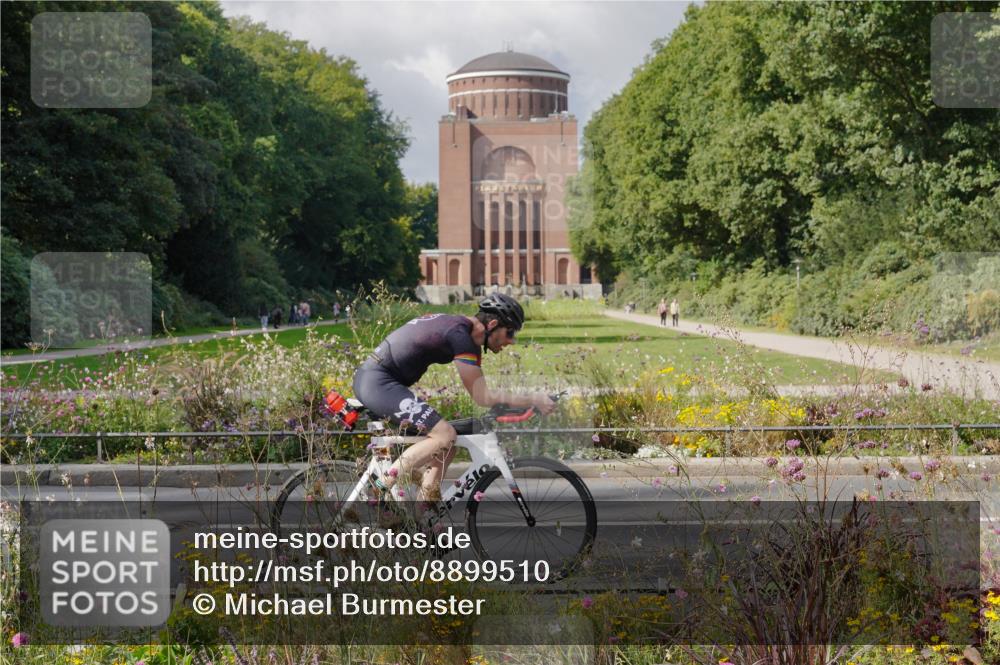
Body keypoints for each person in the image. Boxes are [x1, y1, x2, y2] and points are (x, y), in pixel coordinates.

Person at [352, 294, 555, 502]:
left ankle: (423, 514)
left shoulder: (464, 333)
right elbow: (482, 396)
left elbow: (481, 392)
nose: (511, 341)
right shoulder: (460, 335)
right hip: (378, 383)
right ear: (493, 324)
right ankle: (379, 487)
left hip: (380, 381)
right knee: (444, 435)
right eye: (510, 332)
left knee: (446, 448)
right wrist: (534, 399)